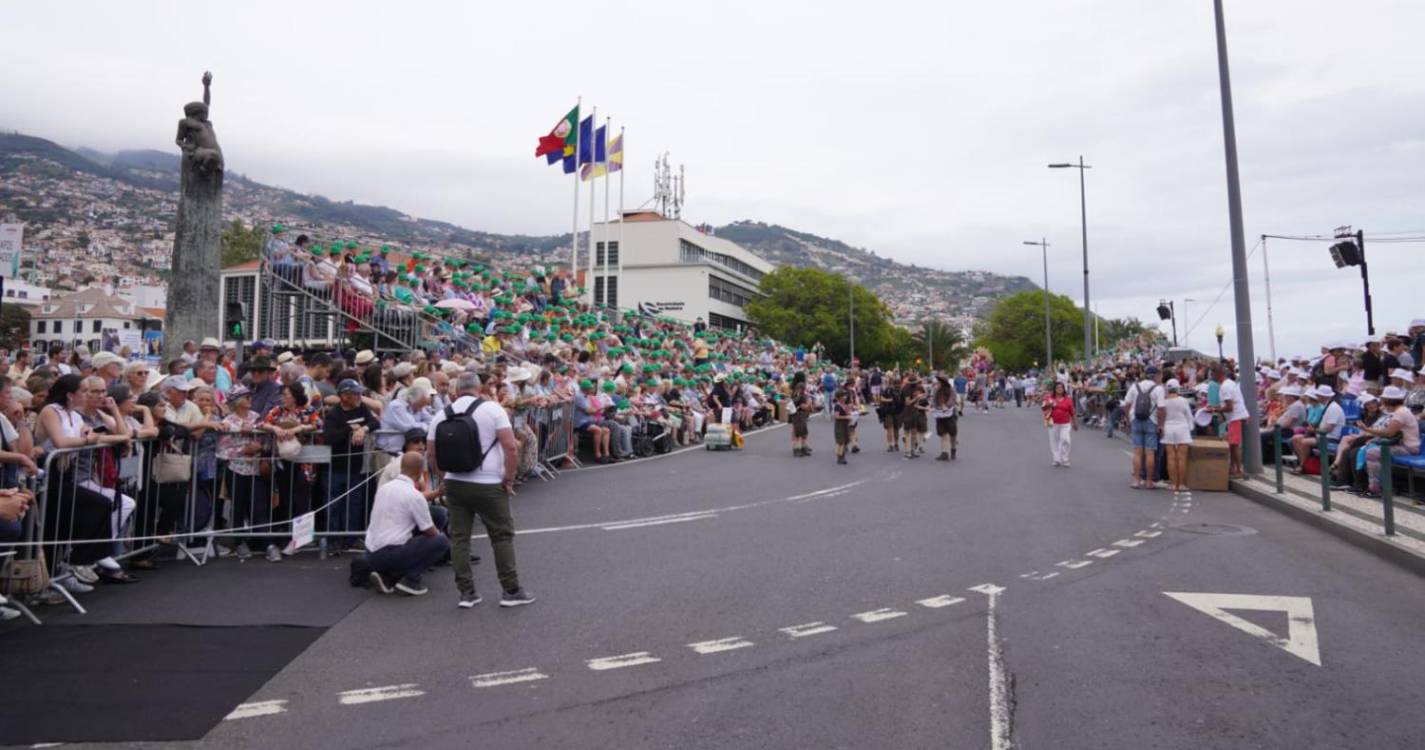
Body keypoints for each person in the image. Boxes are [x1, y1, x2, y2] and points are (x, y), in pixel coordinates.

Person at [428, 371, 534, 609]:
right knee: (501, 535)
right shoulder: (493, 410)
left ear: (457, 389)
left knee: (459, 538)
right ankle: (511, 589)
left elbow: (432, 455)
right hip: (488, 481)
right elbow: (511, 447)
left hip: (455, 482)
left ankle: (467, 592)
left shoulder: (441, 415)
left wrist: (444, 479)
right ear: (479, 388)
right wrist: (509, 478)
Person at [365, 451, 450, 596]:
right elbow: (430, 532)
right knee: (441, 541)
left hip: (370, 553)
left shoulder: (384, 489)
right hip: (390, 553)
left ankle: (388, 576)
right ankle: (411, 579)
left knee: (438, 514)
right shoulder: (414, 496)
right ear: (419, 472)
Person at [322, 379, 380, 552]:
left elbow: (375, 422)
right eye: (355, 393)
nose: (358, 396)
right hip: (335, 467)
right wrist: (350, 430)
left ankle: (351, 538)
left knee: (354, 503)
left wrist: (363, 429)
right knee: (333, 505)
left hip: (356, 467)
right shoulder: (334, 414)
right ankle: (333, 539)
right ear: (344, 396)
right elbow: (330, 436)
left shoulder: (362, 408)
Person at [1357, 386, 1421, 498]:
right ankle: (1377, 485)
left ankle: (1375, 489)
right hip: (1402, 445)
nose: (1381, 403)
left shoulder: (1400, 413)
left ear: (1388, 400)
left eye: (1383, 400)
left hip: (1408, 448)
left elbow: (1388, 433)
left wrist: (1366, 429)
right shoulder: (1401, 411)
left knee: (1373, 453)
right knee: (1373, 450)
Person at [1123, 366, 1166, 489]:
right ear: (1156, 375)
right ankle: (1149, 481)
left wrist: (1128, 419)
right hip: (1151, 421)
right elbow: (1161, 408)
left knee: (1137, 452)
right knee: (1150, 453)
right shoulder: (1158, 389)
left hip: (1136, 419)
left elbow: (1126, 405)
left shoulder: (1135, 386)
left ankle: (1136, 480)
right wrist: (1161, 425)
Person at [1214, 364, 1252, 480]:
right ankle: (1232, 468)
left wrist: (1215, 409)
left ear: (1217, 375)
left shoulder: (1225, 387)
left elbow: (1229, 407)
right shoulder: (1230, 383)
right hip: (1235, 416)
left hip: (1235, 417)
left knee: (1234, 445)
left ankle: (1239, 470)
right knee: (1232, 444)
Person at [1160, 380, 1195, 492]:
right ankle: (1181, 484)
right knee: (1181, 458)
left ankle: (1172, 483)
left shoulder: (1164, 401)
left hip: (1168, 428)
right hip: (1182, 428)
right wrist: (1190, 429)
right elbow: (1189, 416)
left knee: (1170, 458)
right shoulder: (1183, 401)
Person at [1043, 381, 1077, 467]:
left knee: (1066, 440)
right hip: (1053, 423)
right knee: (1054, 442)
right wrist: (1049, 404)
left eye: (1061, 387)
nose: (1059, 389)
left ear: (1063, 389)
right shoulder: (1049, 398)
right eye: (1057, 388)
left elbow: (1072, 412)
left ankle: (1065, 458)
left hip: (1065, 424)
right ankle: (1056, 459)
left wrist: (1075, 423)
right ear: (1054, 389)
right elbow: (1043, 408)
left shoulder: (1068, 399)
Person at [931, 375, 959, 461]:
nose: (938, 383)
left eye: (940, 382)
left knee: (952, 434)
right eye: (938, 381)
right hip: (940, 414)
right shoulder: (937, 390)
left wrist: (946, 406)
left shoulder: (951, 390)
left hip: (950, 414)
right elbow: (934, 400)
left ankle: (953, 449)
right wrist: (934, 406)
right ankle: (944, 452)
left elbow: (952, 399)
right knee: (942, 433)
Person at [789, 372, 811, 457]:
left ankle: (801, 446)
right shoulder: (800, 394)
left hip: (795, 413)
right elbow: (803, 405)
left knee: (798, 429)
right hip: (800, 413)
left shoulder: (793, 390)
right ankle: (798, 448)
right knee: (799, 431)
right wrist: (809, 403)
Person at [832, 388, 852, 465]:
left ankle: (842, 456)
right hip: (839, 426)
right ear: (839, 397)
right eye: (843, 395)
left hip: (845, 425)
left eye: (845, 395)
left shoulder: (844, 405)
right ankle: (840, 457)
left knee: (845, 441)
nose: (845, 397)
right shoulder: (837, 406)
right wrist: (846, 417)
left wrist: (849, 412)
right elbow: (836, 416)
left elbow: (846, 413)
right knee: (841, 442)